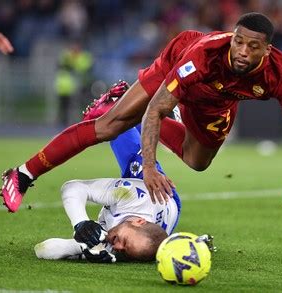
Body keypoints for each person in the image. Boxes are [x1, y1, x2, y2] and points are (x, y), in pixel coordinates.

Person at [0, 12, 282, 213]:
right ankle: (23, 174)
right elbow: (156, 109)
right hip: (178, 67)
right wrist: (150, 167)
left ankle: (130, 104)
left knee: (197, 162)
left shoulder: (280, 73)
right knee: (109, 126)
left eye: (252, 46)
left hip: (218, 101)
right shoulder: (204, 55)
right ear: (232, 38)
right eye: (238, 41)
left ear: (268, 50)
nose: (243, 51)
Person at [35, 100, 181, 262]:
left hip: (162, 220)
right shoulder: (131, 195)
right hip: (158, 191)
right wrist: (80, 223)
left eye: (124, 252)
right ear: (138, 221)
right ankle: (118, 105)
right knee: (119, 128)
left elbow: (44, 249)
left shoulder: (127, 246)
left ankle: (137, 113)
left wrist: (83, 246)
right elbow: (73, 187)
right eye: (123, 242)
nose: (118, 247)